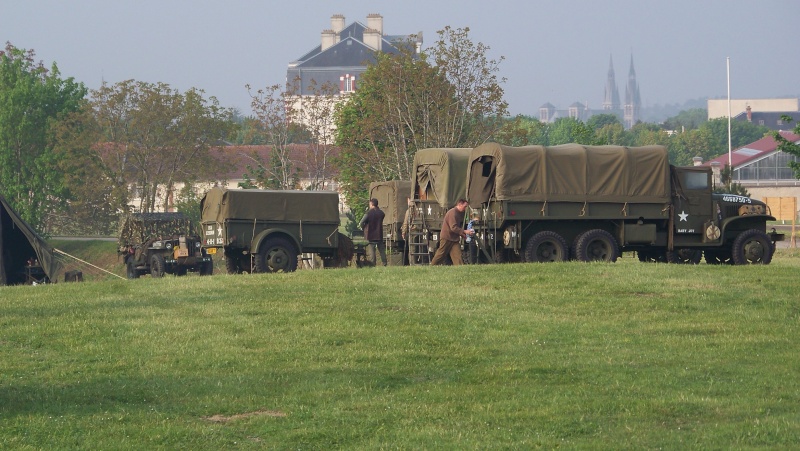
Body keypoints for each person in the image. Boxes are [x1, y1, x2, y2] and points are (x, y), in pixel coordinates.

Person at [430, 199, 475, 266]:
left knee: (458, 256)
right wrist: (465, 231)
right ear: (459, 205)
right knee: (441, 254)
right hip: (447, 237)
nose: (465, 208)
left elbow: (457, 228)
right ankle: (432, 266)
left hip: (454, 239)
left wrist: (463, 235)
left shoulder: (459, 213)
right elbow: (453, 227)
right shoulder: (452, 213)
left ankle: (460, 270)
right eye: (465, 206)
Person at [359, 198, 387, 266]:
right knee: (382, 251)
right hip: (379, 234)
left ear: (371, 204)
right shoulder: (381, 213)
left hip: (370, 235)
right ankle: (385, 263)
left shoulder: (369, 213)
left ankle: (373, 264)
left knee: (372, 251)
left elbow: (361, 222)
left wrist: (363, 228)